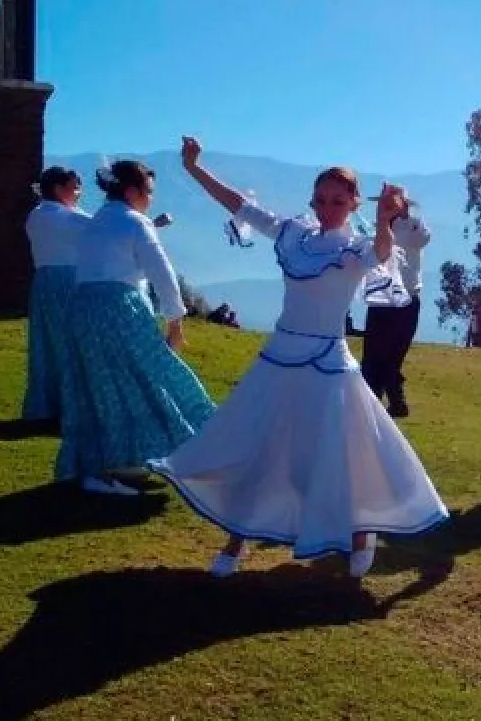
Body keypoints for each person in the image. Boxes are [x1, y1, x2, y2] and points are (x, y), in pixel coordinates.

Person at [148, 137, 449, 579]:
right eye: (321, 199)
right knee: (259, 447)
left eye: (337, 201)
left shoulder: (355, 248)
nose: (327, 208)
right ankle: (235, 540)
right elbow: (239, 205)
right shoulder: (295, 235)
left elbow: (382, 253)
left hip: (329, 365)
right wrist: (194, 168)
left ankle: (361, 532)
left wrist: (386, 218)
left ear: (353, 203)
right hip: (279, 359)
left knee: (341, 455)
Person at [59, 160, 217, 497]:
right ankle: (169, 450)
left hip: (81, 308)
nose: (150, 199)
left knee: (100, 384)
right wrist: (175, 321)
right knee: (152, 375)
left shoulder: (95, 222)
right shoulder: (135, 222)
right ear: (132, 192)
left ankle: (103, 463)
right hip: (119, 307)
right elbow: (162, 272)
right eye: (148, 191)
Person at [21, 166, 90, 423]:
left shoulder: (36, 216)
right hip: (69, 281)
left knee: (46, 345)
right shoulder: (69, 218)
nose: (79, 193)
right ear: (59, 190)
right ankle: (73, 404)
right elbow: (103, 231)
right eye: (75, 188)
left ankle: (45, 404)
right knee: (72, 344)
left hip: (43, 282)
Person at [361, 206, 431, 417]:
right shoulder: (377, 226)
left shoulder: (414, 226)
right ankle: (375, 404)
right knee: (373, 356)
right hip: (380, 299)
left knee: (394, 355)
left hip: (406, 298)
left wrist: (407, 217)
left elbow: (423, 238)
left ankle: (393, 402)